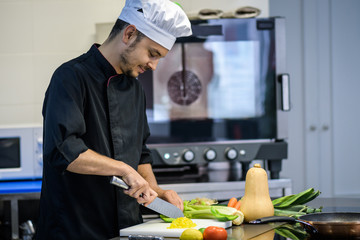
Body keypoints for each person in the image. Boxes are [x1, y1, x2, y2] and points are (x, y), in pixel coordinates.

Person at [35, 0, 192, 239]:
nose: (153, 65)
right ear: (129, 33)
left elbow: (139, 152)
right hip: (75, 229)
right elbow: (63, 150)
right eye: (152, 53)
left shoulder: (135, 89)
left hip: (127, 229)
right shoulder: (70, 77)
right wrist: (123, 169)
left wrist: (154, 192)